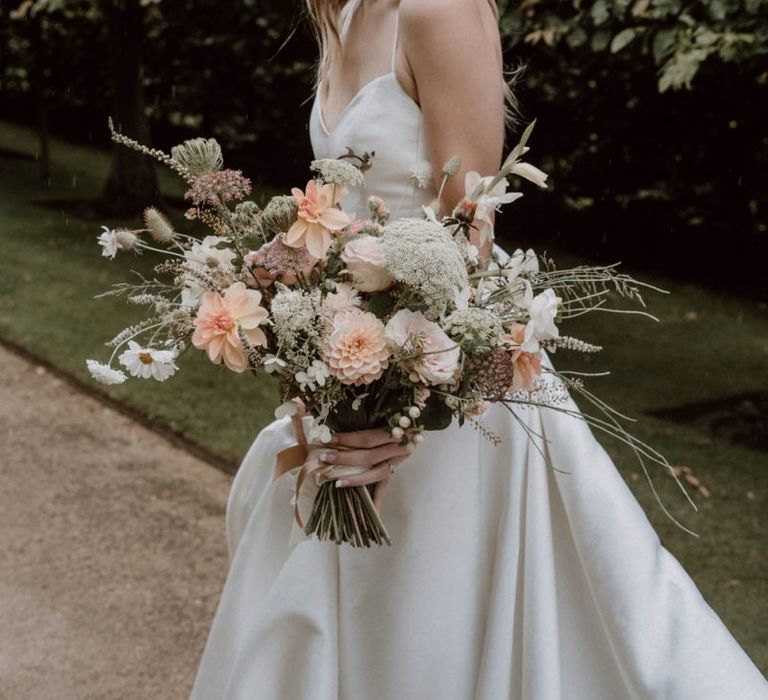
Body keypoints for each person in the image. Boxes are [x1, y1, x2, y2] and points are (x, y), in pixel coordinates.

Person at [189, 1, 767, 697]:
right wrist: (301, 314)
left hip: (453, 401)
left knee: (432, 632)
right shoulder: (341, 14)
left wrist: (403, 400)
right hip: (357, 372)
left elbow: (472, 238)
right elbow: (342, 214)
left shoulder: (439, 9)